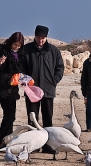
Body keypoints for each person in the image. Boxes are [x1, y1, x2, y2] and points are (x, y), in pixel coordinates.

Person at [21, 25, 64, 153]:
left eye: (43, 38)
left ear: (46, 37)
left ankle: (47, 145)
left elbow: (60, 68)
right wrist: (26, 82)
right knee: (32, 117)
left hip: (48, 90)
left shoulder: (53, 51)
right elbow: (21, 68)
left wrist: (53, 81)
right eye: (39, 37)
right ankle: (33, 145)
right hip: (31, 91)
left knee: (48, 118)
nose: (41, 40)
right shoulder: (26, 50)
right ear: (35, 36)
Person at [0, 32, 24, 143]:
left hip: (13, 89)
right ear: (11, 42)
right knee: (9, 114)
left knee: (11, 115)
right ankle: (2, 138)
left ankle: (6, 139)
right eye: (15, 45)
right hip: (3, 88)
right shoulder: (3, 51)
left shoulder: (19, 55)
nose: (16, 47)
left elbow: (20, 69)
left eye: (19, 46)